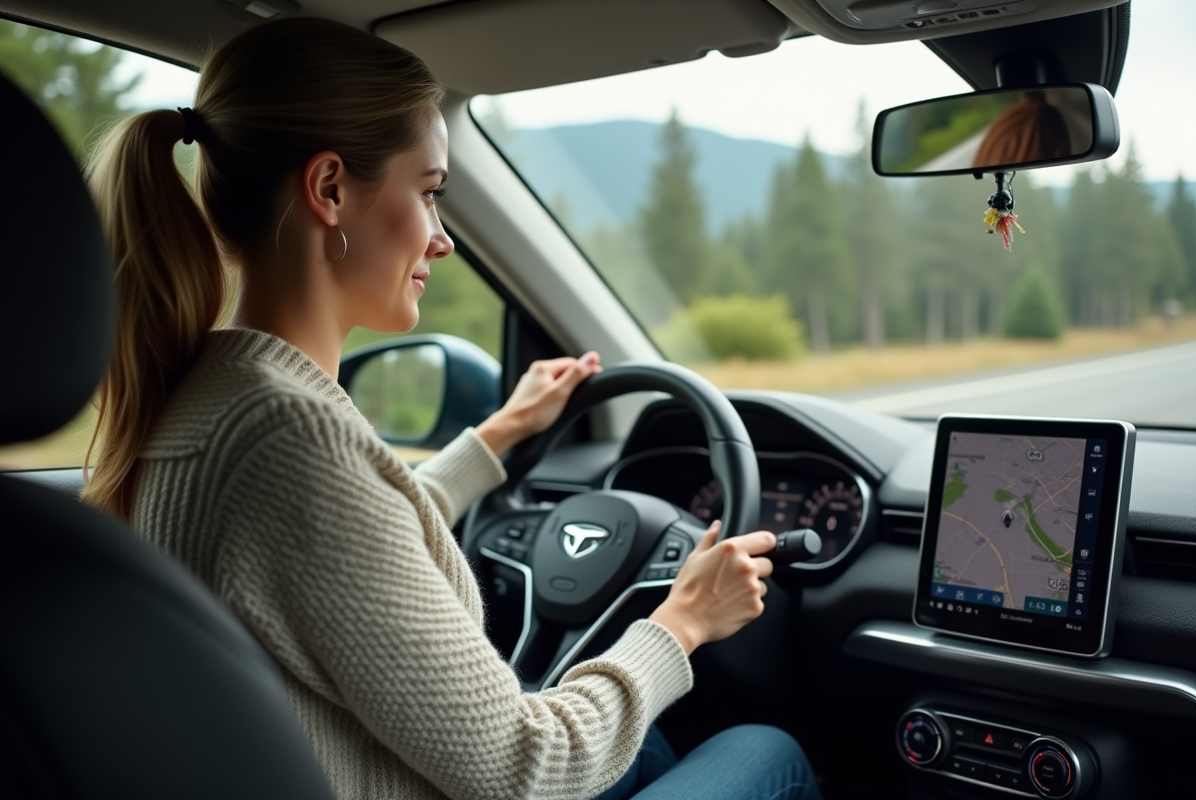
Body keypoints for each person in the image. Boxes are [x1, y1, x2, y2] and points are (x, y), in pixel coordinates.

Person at [81, 17, 819, 800]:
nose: (443, 239)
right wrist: (682, 623)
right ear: (329, 188)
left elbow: (345, 557)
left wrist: (497, 435)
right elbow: (527, 766)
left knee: (648, 748)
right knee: (766, 750)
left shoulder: (213, 397)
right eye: (429, 193)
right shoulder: (291, 435)